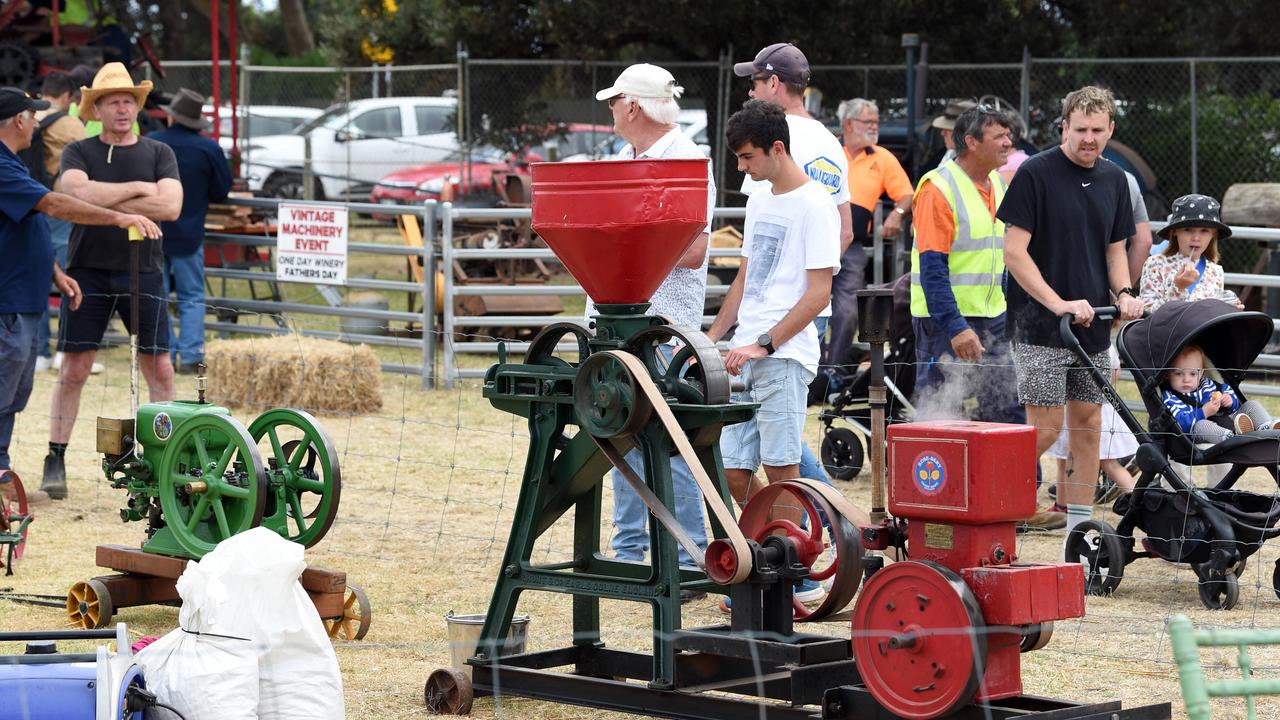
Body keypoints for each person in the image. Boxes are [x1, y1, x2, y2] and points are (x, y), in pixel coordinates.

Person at [0, 86, 161, 505]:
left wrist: (54, 271)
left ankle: (1, 478)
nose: (38, 121)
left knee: (14, 394)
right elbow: (58, 202)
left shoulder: (11, 163)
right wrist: (122, 213)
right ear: (19, 120)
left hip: (25, 296)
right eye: (33, 114)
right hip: (9, 301)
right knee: (4, 392)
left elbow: (22, 225)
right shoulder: (5, 166)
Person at [707, 100, 839, 606]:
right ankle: (767, 565)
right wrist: (714, 340)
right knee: (735, 472)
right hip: (744, 353)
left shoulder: (815, 205)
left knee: (785, 472)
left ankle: (799, 579)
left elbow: (818, 295)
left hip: (783, 358)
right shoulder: (760, 199)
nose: (742, 168)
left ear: (776, 148)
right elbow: (745, 278)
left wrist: (763, 344)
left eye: (746, 158)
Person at [998, 86, 1143, 540]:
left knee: (1089, 425)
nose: (1089, 139)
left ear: (1111, 130)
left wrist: (1124, 291)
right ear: (1064, 127)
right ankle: (999, 509)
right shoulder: (1035, 174)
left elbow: (1115, 251)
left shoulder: (1115, 180)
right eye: (1080, 129)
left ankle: (1078, 528)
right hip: (1040, 326)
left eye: (1098, 130)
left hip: (1093, 324)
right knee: (1042, 430)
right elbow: (1014, 253)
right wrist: (1057, 302)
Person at [589, 64, 714, 590]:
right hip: (625, 318)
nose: (612, 109)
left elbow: (695, 249)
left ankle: (689, 555)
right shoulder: (629, 158)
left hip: (664, 325)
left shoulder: (684, 161)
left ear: (633, 106)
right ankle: (632, 547)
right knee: (621, 427)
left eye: (615, 101)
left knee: (670, 437)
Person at [42, 63, 182, 500]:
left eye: (129, 101)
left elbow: (171, 207)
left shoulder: (160, 152)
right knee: (75, 368)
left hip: (145, 270)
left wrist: (105, 193)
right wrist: (141, 189)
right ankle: (55, 455)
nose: (123, 109)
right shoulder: (78, 151)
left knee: (158, 367)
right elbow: (74, 195)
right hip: (87, 269)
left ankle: (168, 457)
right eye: (113, 102)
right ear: (96, 109)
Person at [734, 42, 849, 485]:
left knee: (779, 446)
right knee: (778, 433)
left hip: (776, 317)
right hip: (808, 311)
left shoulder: (768, 140)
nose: (750, 94)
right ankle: (811, 519)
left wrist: (771, 322)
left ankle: (814, 521)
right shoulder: (830, 143)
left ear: (775, 84)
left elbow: (760, 254)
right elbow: (846, 231)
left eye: (755, 83)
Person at [908, 105, 1023, 424]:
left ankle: (1008, 476)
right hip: (946, 323)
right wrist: (956, 326)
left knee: (1006, 410)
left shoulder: (998, 185)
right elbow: (933, 268)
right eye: (999, 136)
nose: (1007, 143)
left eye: (1008, 135)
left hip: (993, 317)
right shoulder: (938, 188)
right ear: (972, 142)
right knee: (943, 413)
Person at [150, 88, 232, 373]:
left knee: (156, 295)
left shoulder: (152, 143)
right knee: (192, 296)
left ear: (172, 117)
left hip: (153, 230)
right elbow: (222, 191)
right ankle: (190, 356)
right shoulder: (208, 149)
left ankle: (163, 353)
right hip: (190, 231)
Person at [830, 98, 913, 372]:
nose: (875, 127)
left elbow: (907, 194)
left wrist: (896, 214)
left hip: (851, 247)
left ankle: (831, 373)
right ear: (849, 124)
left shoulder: (882, 157)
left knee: (847, 311)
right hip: (815, 240)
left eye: (877, 122)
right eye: (869, 122)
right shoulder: (829, 149)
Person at [31, 72, 87, 373]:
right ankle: (66, 349)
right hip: (61, 209)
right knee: (69, 279)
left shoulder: (27, 116)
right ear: (67, 96)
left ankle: (39, 350)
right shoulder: (69, 124)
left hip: (29, 205)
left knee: (39, 274)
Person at [1047, 347, 1137, 508]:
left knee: (1065, 460)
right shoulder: (1107, 346)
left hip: (1078, 411)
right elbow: (1116, 374)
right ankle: (1137, 501)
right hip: (1103, 408)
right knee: (1111, 464)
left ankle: (1062, 505)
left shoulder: (1067, 345)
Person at [1140, 194, 1242, 312]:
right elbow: (1147, 313)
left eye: (1204, 230)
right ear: (1174, 232)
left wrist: (1227, 310)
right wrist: (1178, 288)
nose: (1196, 238)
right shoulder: (1155, 264)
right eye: (1188, 230)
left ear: (1213, 234)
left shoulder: (1215, 271)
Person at [1160, 344, 1273, 443]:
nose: (1186, 379)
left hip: (1228, 421)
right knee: (1201, 425)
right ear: (1167, 374)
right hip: (1197, 433)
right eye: (1178, 374)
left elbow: (1230, 396)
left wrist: (1229, 401)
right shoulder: (1170, 397)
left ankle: (1269, 429)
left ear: (1202, 374)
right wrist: (1204, 412)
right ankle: (1231, 438)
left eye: (1193, 374)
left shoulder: (1209, 385)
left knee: (1251, 405)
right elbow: (1179, 424)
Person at [933, 99, 976, 165]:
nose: (942, 133)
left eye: (948, 129)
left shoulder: (978, 159)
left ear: (965, 133)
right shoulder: (951, 152)